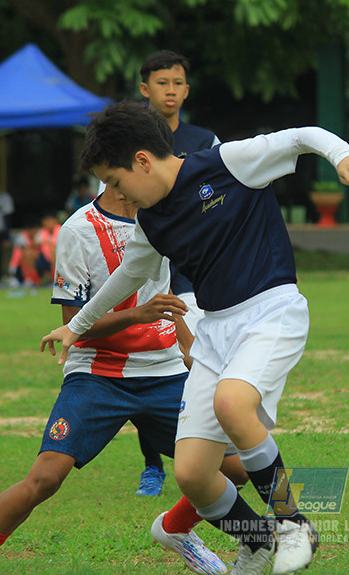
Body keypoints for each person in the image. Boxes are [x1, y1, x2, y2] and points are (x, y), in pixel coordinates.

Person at [41, 101, 349, 575]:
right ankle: (257, 539)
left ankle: (292, 523)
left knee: (232, 404)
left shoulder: (226, 163)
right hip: (215, 331)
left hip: (271, 312)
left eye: (115, 181)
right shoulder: (152, 220)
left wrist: (341, 156)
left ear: (142, 160)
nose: (116, 194)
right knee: (193, 473)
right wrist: (75, 327)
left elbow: (301, 135)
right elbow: (124, 278)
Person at [0, 183, 244, 575]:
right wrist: (137, 315)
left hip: (163, 372)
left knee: (235, 467)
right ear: (119, 176)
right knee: (46, 477)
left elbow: (164, 294)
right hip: (98, 374)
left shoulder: (159, 214)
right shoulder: (78, 230)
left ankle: (177, 529)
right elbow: (74, 324)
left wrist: (187, 347)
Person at [136, 48, 221, 495]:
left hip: (192, 270)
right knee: (150, 370)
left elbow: (224, 195)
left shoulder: (205, 140)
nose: (170, 91)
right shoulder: (130, 137)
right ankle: (152, 464)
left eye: (177, 83)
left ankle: (206, 456)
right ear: (144, 88)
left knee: (196, 365)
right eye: (161, 83)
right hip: (146, 268)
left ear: (187, 90)